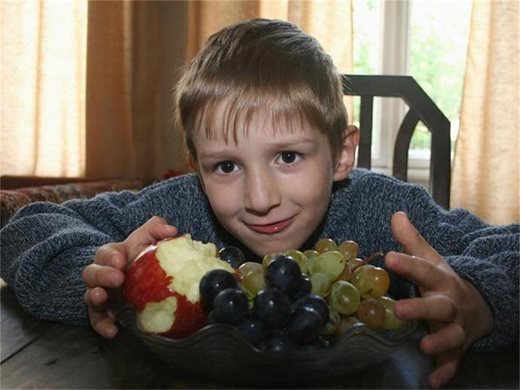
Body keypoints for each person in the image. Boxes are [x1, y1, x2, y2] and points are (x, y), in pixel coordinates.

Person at [0, 18, 518, 389]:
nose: (260, 199)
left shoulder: (385, 209)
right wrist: (99, 274)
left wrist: (479, 299)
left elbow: (509, 248)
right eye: (225, 166)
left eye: (288, 156)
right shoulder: (180, 212)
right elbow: (27, 226)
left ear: (341, 153)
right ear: (196, 165)